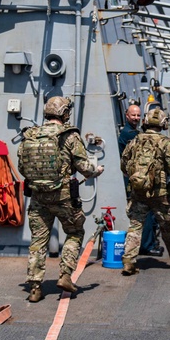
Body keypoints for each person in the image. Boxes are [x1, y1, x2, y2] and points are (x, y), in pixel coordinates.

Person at [18, 96, 104, 303]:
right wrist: (96, 170)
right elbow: (84, 167)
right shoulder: (70, 135)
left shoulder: (30, 135)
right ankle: (65, 275)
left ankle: (35, 288)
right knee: (75, 232)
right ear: (65, 114)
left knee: (38, 241)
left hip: (38, 197)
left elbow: (22, 167)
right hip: (64, 197)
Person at [120, 108, 170, 275]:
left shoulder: (135, 140)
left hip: (138, 192)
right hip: (160, 194)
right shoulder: (165, 142)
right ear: (163, 124)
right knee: (168, 226)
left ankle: (129, 260)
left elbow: (124, 164)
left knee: (135, 226)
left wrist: (136, 177)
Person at [118, 103, 162, 257]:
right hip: (138, 180)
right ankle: (147, 246)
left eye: (138, 115)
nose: (136, 118)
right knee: (146, 212)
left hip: (137, 178)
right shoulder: (130, 134)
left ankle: (147, 243)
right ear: (126, 115)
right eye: (133, 115)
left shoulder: (133, 132)